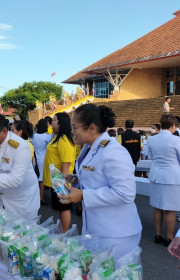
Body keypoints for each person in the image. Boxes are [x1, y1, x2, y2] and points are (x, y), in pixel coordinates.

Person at [60, 104, 142, 261]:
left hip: (117, 233)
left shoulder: (113, 151)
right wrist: (75, 179)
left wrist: (83, 195)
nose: (72, 131)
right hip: (98, 227)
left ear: (91, 127)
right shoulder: (90, 148)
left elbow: (125, 193)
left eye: (74, 127)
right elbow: (97, 178)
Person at [147, 114, 180, 247]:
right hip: (171, 177)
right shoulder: (176, 140)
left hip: (155, 175)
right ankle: (169, 236)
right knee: (170, 209)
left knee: (157, 207)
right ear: (172, 126)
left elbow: (150, 156)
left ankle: (158, 233)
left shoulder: (152, 139)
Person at [42, 113, 76, 232]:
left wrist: (62, 184)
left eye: (54, 120)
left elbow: (65, 163)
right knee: (61, 208)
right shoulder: (57, 137)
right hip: (55, 180)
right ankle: (62, 231)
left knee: (64, 208)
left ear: (61, 122)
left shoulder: (64, 139)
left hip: (60, 181)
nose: (52, 122)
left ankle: (64, 234)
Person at [31, 119, 52, 205]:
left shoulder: (33, 135)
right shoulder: (47, 136)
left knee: (34, 179)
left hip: (34, 159)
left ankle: (33, 197)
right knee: (42, 180)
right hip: (43, 159)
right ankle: (41, 198)